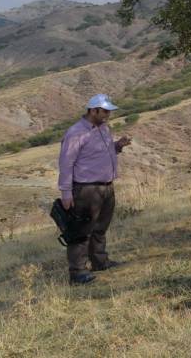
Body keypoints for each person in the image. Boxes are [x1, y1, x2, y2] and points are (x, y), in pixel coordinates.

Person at [57, 93, 131, 285]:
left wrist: (118, 146)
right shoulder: (75, 133)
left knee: (100, 228)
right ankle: (77, 272)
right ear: (92, 110)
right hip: (86, 189)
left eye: (109, 111)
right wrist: (66, 192)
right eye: (104, 111)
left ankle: (100, 261)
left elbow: (99, 154)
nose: (108, 114)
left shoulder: (103, 129)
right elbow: (66, 163)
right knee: (81, 232)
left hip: (106, 187)